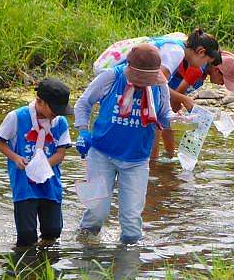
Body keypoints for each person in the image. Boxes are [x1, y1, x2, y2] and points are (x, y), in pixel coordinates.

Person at [74, 43, 172, 244]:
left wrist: (181, 120)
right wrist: (83, 130)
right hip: (101, 154)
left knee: (131, 222)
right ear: (128, 67)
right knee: (96, 212)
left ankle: (128, 266)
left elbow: (164, 115)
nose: (142, 83)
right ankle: (84, 251)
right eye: (139, 78)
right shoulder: (110, 77)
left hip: (137, 160)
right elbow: (84, 103)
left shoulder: (160, 85)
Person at [0, 78, 73, 248]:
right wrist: (16, 158)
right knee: (26, 235)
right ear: (40, 101)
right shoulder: (16, 117)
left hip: (50, 183)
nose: (57, 115)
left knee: (53, 230)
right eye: (54, 110)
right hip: (24, 185)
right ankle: (25, 268)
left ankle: (46, 264)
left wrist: (42, 165)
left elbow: (60, 154)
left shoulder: (60, 122)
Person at [151, 29, 223, 159]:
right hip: (130, 85)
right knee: (153, 127)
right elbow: (156, 84)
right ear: (201, 52)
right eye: (206, 61)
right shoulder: (177, 52)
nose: (204, 65)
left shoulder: (178, 47)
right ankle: (152, 167)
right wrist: (184, 99)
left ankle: (154, 170)